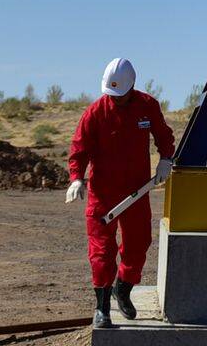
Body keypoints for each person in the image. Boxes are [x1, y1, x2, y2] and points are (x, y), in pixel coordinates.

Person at [65, 57, 174, 326]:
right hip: (103, 196)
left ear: (132, 87)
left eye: (120, 94)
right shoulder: (94, 113)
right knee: (101, 252)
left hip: (136, 193)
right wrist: (76, 179)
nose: (115, 99)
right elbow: (78, 149)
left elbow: (164, 136)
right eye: (111, 94)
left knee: (138, 245)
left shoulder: (147, 106)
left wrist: (166, 159)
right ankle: (102, 308)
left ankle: (123, 291)